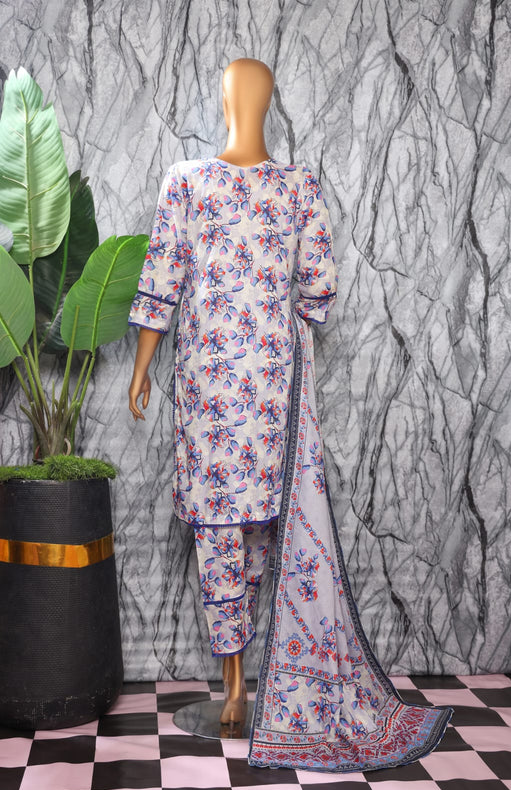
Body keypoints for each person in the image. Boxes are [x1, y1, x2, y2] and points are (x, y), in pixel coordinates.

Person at [127, 58, 337, 730]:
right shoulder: (299, 187)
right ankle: (242, 676)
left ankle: (236, 676)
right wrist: (275, 323)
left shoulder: (187, 183)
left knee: (222, 526)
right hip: (270, 385)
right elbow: (319, 289)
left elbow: (163, 280)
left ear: (232, 103)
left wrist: (142, 367)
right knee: (256, 526)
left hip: (211, 386)